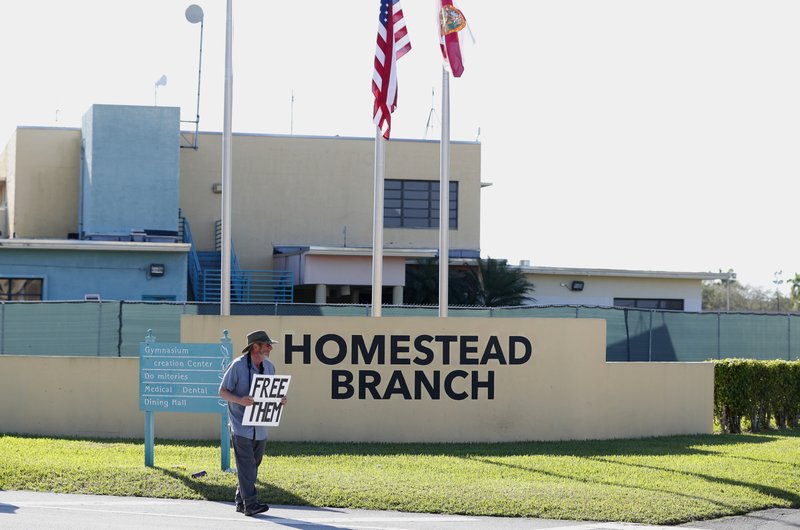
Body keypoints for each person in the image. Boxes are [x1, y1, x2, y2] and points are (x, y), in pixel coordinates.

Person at [219, 329, 287, 516]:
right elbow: (223, 391)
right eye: (267, 345)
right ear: (255, 347)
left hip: (261, 426)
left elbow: (271, 394)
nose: (270, 347)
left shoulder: (270, 367)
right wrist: (240, 400)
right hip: (240, 426)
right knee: (247, 465)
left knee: (252, 466)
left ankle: (241, 502)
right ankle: (251, 504)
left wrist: (280, 399)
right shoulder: (237, 366)